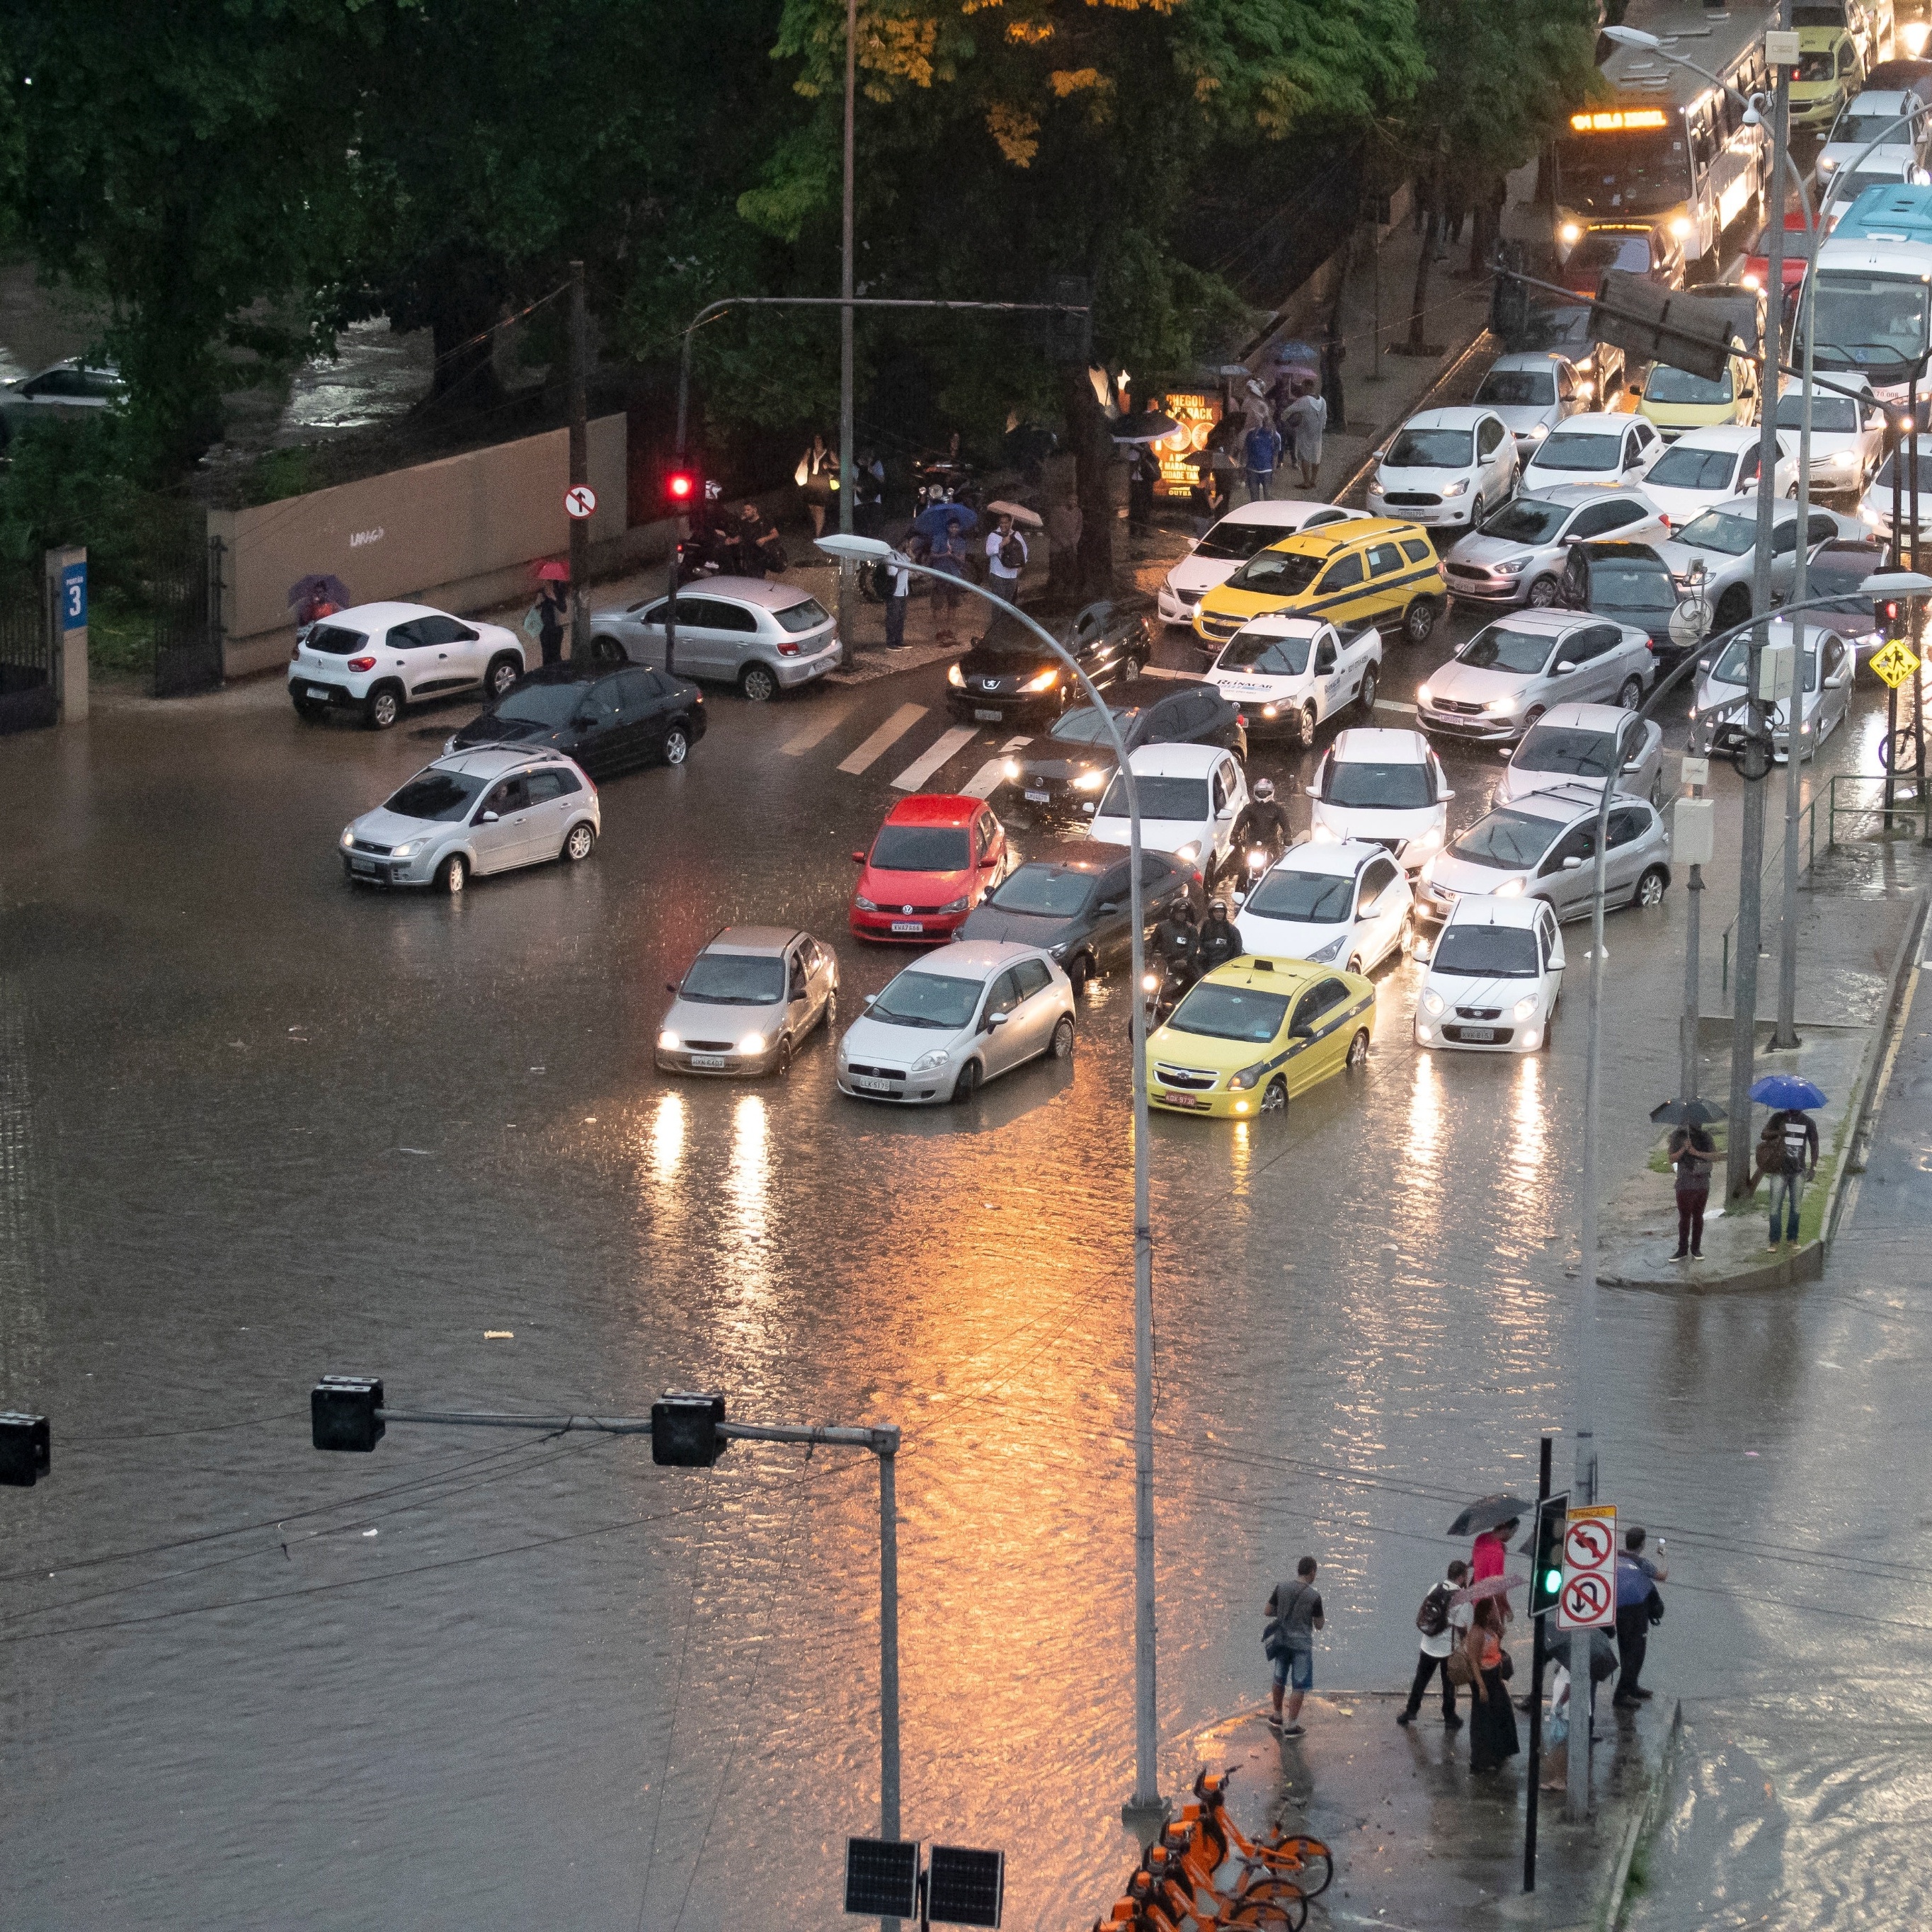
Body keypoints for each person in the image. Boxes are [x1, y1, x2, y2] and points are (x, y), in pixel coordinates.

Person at [1397, 1560, 1472, 1730]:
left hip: (1428, 1644)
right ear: (1461, 1577)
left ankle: (1411, 1711)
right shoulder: (1462, 1599)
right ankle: (1449, 1716)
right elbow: (1461, 1627)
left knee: (1421, 1680)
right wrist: (1466, 1645)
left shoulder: (1435, 1587)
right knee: (1449, 1685)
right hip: (1447, 1649)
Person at [1264, 1556, 1324, 1737]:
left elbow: (1267, 1611)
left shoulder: (1281, 1587)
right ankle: (1292, 1726)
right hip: (1301, 1647)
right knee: (1299, 1686)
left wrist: (1282, 1612)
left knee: (1279, 1679)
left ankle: (1276, 1716)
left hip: (1281, 1642)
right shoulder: (1314, 1596)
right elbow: (1319, 1625)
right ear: (1312, 1572)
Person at [1464, 1596, 1519, 1773]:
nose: (1495, 1613)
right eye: (1492, 1611)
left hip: (1495, 1677)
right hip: (1484, 1678)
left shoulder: (1490, 1629)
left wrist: (1499, 1634)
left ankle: (1499, 1753)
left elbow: (1495, 1649)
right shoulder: (1477, 1633)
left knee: (1501, 1713)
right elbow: (1473, 1661)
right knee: (1483, 1719)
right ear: (1486, 1614)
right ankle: (1481, 1760)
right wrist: (1481, 1686)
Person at [1613, 1526, 1667, 1708]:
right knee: (1636, 1654)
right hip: (1636, 1614)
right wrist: (1662, 1555)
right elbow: (1662, 1575)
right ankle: (1621, 1695)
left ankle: (1632, 1687)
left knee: (1626, 1651)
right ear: (1642, 1544)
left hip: (1619, 1612)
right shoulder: (1642, 1563)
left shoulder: (1616, 1558)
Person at [1756, 1105, 1819, 1250]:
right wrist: (1780, 1132)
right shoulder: (1778, 1118)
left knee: (1796, 1206)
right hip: (1779, 1170)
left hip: (1798, 1171)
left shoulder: (1808, 1122)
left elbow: (1814, 1145)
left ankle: (1792, 1238)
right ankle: (1774, 1240)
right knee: (1774, 1207)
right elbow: (1764, 1134)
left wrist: (1813, 1167)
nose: (1796, 1107)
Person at [1668, 1120, 1716, 1260]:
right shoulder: (1678, 1136)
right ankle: (1682, 1249)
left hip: (1702, 1182)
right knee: (1684, 1217)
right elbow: (1671, 1159)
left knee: (1698, 1216)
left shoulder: (1706, 1136)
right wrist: (1684, 1148)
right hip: (1684, 1182)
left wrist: (1696, 1152)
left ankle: (1696, 1248)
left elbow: (1715, 1156)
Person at [1230, 779, 1291, 864]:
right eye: (1260, 792)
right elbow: (1240, 821)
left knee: (1277, 867)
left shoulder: (1277, 809)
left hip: (1271, 844)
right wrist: (1235, 834)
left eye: (1265, 793)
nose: (1263, 795)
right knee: (1244, 867)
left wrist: (1287, 837)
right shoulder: (1249, 808)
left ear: (1271, 792)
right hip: (1252, 844)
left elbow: (1285, 824)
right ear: (1255, 792)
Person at [930, 515, 969, 642]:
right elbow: (933, 555)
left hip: (954, 576)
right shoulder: (939, 539)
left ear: (959, 528)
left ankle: (949, 629)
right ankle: (939, 631)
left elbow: (962, 561)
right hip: (940, 575)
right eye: (952, 527)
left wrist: (952, 555)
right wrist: (944, 554)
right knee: (937, 605)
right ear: (948, 528)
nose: (954, 529)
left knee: (953, 604)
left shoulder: (961, 542)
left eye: (956, 527)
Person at [1472, 1516, 1518, 1622]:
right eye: (1513, 1532)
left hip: (1478, 1602)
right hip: (1491, 1607)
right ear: (1506, 1529)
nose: (1513, 1536)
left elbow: (1476, 1561)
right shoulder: (1497, 1553)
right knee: (1494, 1637)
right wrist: (1507, 1608)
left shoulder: (1481, 1538)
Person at [1150, 900, 1201, 992]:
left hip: (1183, 966)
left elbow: (1193, 947)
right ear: (1173, 912)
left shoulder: (1191, 929)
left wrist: (1185, 960)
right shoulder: (1162, 927)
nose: (1182, 915)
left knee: (1195, 981)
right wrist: (1147, 959)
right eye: (1179, 912)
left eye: (1184, 913)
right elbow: (1151, 944)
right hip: (1164, 963)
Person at [1285, 390, 1327, 490]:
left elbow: (1289, 410)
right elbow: (1325, 417)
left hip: (1305, 434)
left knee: (1305, 457)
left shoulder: (1304, 400)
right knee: (1316, 457)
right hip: (1317, 435)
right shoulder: (1323, 401)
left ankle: (1306, 482)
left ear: (1305, 387)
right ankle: (1313, 480)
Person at [798, 433, 835, 538]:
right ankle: (819, 527)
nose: (818, 441)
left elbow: (838, 466)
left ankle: (818, 535)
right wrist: (807, 454)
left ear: (823, 440)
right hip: (811, 483)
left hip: (823, 484)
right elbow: (804, 463)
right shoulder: (810, 452)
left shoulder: (828, 453)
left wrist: (829, 465)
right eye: (816, 439)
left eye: (819, 439)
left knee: (819, 508)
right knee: (812, 507)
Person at [1197, 898, 1245, 973]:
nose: (1219, 914)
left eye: (1221, 912)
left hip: (1222, 964)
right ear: (1211, 913)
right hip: (1206, 960)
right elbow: (1201, 941)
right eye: (1217, 912)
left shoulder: (1232, 930)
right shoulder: (1206, 925)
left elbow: (1237, 951)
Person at [987, 513, 1029, 593]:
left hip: (1012, 574)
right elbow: (989, 552)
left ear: (1011, 523)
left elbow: (1024, 551)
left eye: (1005, 523)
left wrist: (1021, 566)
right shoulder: (993, 535)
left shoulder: (1017, 535)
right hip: (998, 573)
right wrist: (1002, 544)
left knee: (1008, 601)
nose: (1003, 525)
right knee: (999, 601)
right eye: (1001, 523)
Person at [1243, 418, 1282, 503]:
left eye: (1268, 425)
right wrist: (1243, 466)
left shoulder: (1276, 437)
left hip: (1267, 470)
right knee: (1254, 497)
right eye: (1264, 425)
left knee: (1268, 496)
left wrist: (1274, 470)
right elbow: (1246, 449)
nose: (1266, 427)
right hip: (1252, 468)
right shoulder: (1253, 434)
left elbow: (1275, 455)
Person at [883, 551, 913, 650]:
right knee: (893, 617)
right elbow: (892, 572)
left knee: (901, 617)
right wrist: (903, 566)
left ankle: (899, 640)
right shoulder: (891, 555)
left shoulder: (904, 555)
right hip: (895, 592)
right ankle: (890, 642)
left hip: (904, 591)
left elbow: (911, 567)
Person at [536, 579, 567, 666]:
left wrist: (554, 599)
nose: (545, 583)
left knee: (555, 655)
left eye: (548, 581)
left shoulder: (559, 591)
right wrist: (538, 602)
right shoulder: (542, 592)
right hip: (544, 629)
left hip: (556, 628)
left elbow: (564, 608)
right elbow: (537, 609)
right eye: (544, 581)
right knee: (546, 655)